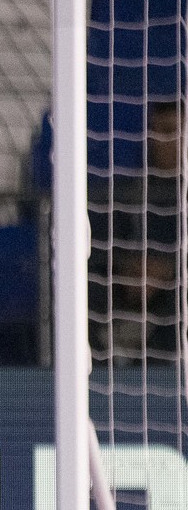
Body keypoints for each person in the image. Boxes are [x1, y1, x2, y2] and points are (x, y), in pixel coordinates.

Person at [102, 99, 183, 358]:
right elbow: (113, 245)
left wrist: (169, 269)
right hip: (134, 289)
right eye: (156, 131)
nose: (162, 140)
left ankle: (163, 370)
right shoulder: (131, 193)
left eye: (170, 131)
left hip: (174, 290)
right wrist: (131, 270)